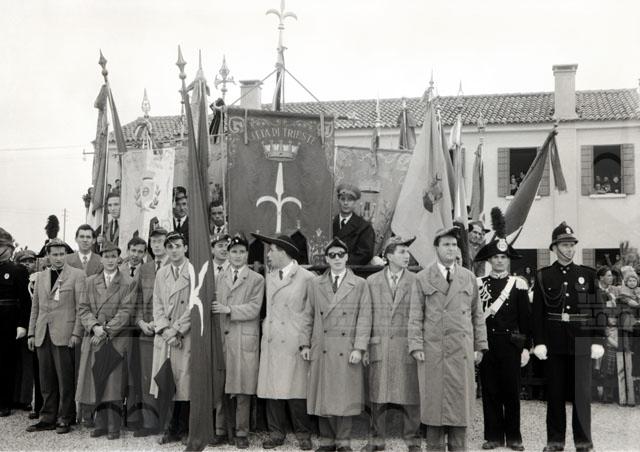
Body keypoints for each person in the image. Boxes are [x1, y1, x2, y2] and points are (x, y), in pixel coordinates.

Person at [408, 226, 488, 451]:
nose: (451, 249)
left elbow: (477, 314)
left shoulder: (468, 277)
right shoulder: (423, 278)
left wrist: (480, 346)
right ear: (436, 248)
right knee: (434, 410)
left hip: (461, 351)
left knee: (459, 412)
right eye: (446, 244)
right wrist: (416, 345)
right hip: (433, 351)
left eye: (454, 244)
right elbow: (415, 315)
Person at [532, 222, 605, 452]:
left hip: (581, 341)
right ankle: (555, 441)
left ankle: (583, 442)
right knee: (554, 394)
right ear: (554, 248)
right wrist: (539, 342)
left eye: (572, 245)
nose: (570, 249)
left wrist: (598, 340)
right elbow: (538, 314)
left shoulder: (587, 275)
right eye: (564, 245)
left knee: (582, 395)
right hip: (553, 342)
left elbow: (597, 309)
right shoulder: (544, 276)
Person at [302, 237, 372, 452]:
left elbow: (365, 317)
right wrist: (305, 344)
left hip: (346, 348)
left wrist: (359, 348)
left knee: (344, 396)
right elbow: (308, 315)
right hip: (322, 347)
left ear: (347, 257)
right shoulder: (315, 284)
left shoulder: (359, 284)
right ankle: (327, 441)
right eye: (332, 255)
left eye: (341, 254)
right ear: (326, 259)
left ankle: (343, 442)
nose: (337, 258)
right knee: (323, 395)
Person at [473, 208, 531, 451]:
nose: (499, 261)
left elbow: (526, 320)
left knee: (511, 392)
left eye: (503, 257)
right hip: (487, 344)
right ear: (489, 260)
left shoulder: (518, 285)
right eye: (495, 257)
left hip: (510, 345)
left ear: (508, 260)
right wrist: (476, 347)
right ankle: (493, 436)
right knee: (490, 391)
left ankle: (514, 437)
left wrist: (526, 348)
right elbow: (475, 318)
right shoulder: (479, 284)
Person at [252, 233, 315, 451]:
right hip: (272, 339)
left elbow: (310, 314)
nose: (268, 255)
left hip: (293, 340)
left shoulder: (307, 278)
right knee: (273, 390)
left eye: (271, 250)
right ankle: (276, 433)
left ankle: (303, 433)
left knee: (297, 390)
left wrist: (305, 341)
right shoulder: (269, 276)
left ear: (284, 252)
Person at [362, 236, 421, 452]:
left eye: (407, 251)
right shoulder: (372, 281)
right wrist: (364, 346)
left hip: (407, 346)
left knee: (411, 393)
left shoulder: (416, 281)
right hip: (380, 345)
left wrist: (418, 345)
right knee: (377, 394)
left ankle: (413, 440)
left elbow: (420, 316)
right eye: (402, 252)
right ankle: (376, 439)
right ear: (388, 256)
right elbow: (366, 316)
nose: (407, 256)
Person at [75, 242, 136, 440]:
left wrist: (106, 331)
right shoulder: (90, 281)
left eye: (113, 256)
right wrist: (94, 326)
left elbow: (126, 312)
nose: (110, 260)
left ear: (119, 258)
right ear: (101, 259)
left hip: (115, 338)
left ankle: (113, 426)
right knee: (96, 380)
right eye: (106, 256)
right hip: (94, 336)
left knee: (113, 384)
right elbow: (83, 308)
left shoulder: (128, 282)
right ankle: (100, 423)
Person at [211, 235, 264, 449]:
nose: (237, 255)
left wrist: (229, 309)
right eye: (233, 251)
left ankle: (242, 432)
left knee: (242, 388)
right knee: (221, 386)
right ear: (228, 254)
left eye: (242, 252)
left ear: (247, 254)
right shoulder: (219, 277)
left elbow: (254, 308)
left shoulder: (256, 279)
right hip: (223, 339)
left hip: (243, 339)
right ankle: (220, 430)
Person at [27, 238, 85, 434]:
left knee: (65, 379)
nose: (59, 258)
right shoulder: (41, 277)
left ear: (66, 255)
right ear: (48, 256)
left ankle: (65, 417)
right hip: (43, 334)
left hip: (65, 334)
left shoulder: (77, 275)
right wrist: (31, 333)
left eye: (62, 254)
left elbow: (81, 307)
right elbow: (35, 308)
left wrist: (76, 332)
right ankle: (47, 417)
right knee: (46, 379)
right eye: (54, 254)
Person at [150, 231, 191, 444]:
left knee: (185, 383)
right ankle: (170, 427)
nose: (174, 250)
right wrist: (165, 330)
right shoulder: (162, 273)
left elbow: (195, 306)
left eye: (178, 246)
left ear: (185, 248)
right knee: (168, 381)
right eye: (170, 246)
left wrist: (176, 330)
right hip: (166, 336)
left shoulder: (194, 272)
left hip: (185, 336)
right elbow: (157, 303)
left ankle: (184, 428)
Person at [129, 227, 169, 437]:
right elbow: (135, 301)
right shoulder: (144, 269)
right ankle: (149, 422)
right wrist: (140, 322)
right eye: (153, 242)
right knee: (147, 377)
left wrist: (161, 323)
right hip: (146, 332)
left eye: (161, 241)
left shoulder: (177, 265)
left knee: (167, 376)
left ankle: (168, 423)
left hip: (168, 332)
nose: (157, 245)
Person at [0, 229, 31, 417]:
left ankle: (5, 402)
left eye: (1, 246)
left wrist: (22, 324)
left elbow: (25, 301)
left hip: (9, 320)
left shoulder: (17, 270)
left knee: (6, 360)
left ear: (10, 249)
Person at [13, 250, 42, 419]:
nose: (27, 264)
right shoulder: (15, 278)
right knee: (14, 362)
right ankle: (14, 396)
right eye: (23, 261)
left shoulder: (38, 279)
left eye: (30, 261)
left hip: (33, 324)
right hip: (14, 322)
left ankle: (25, 399)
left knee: (28, 363)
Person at [612, 266, 639, 406]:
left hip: (637, 326)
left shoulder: (638, 292)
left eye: (635, 280)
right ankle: (625, 396)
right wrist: (629, 302)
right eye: (630, 280)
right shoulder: (622, 293)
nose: (632, 282)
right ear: (626, 282)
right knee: (626, 357)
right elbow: (622, 304)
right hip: (627, 326)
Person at [332, 183, 375, 266]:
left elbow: (365, 255)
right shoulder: (330, 223)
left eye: (350, 200)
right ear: (338, 201)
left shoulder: (364, 227)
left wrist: (338, 262)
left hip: (352, 270)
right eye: (342, 199)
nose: (345, 203)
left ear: (355, 202)